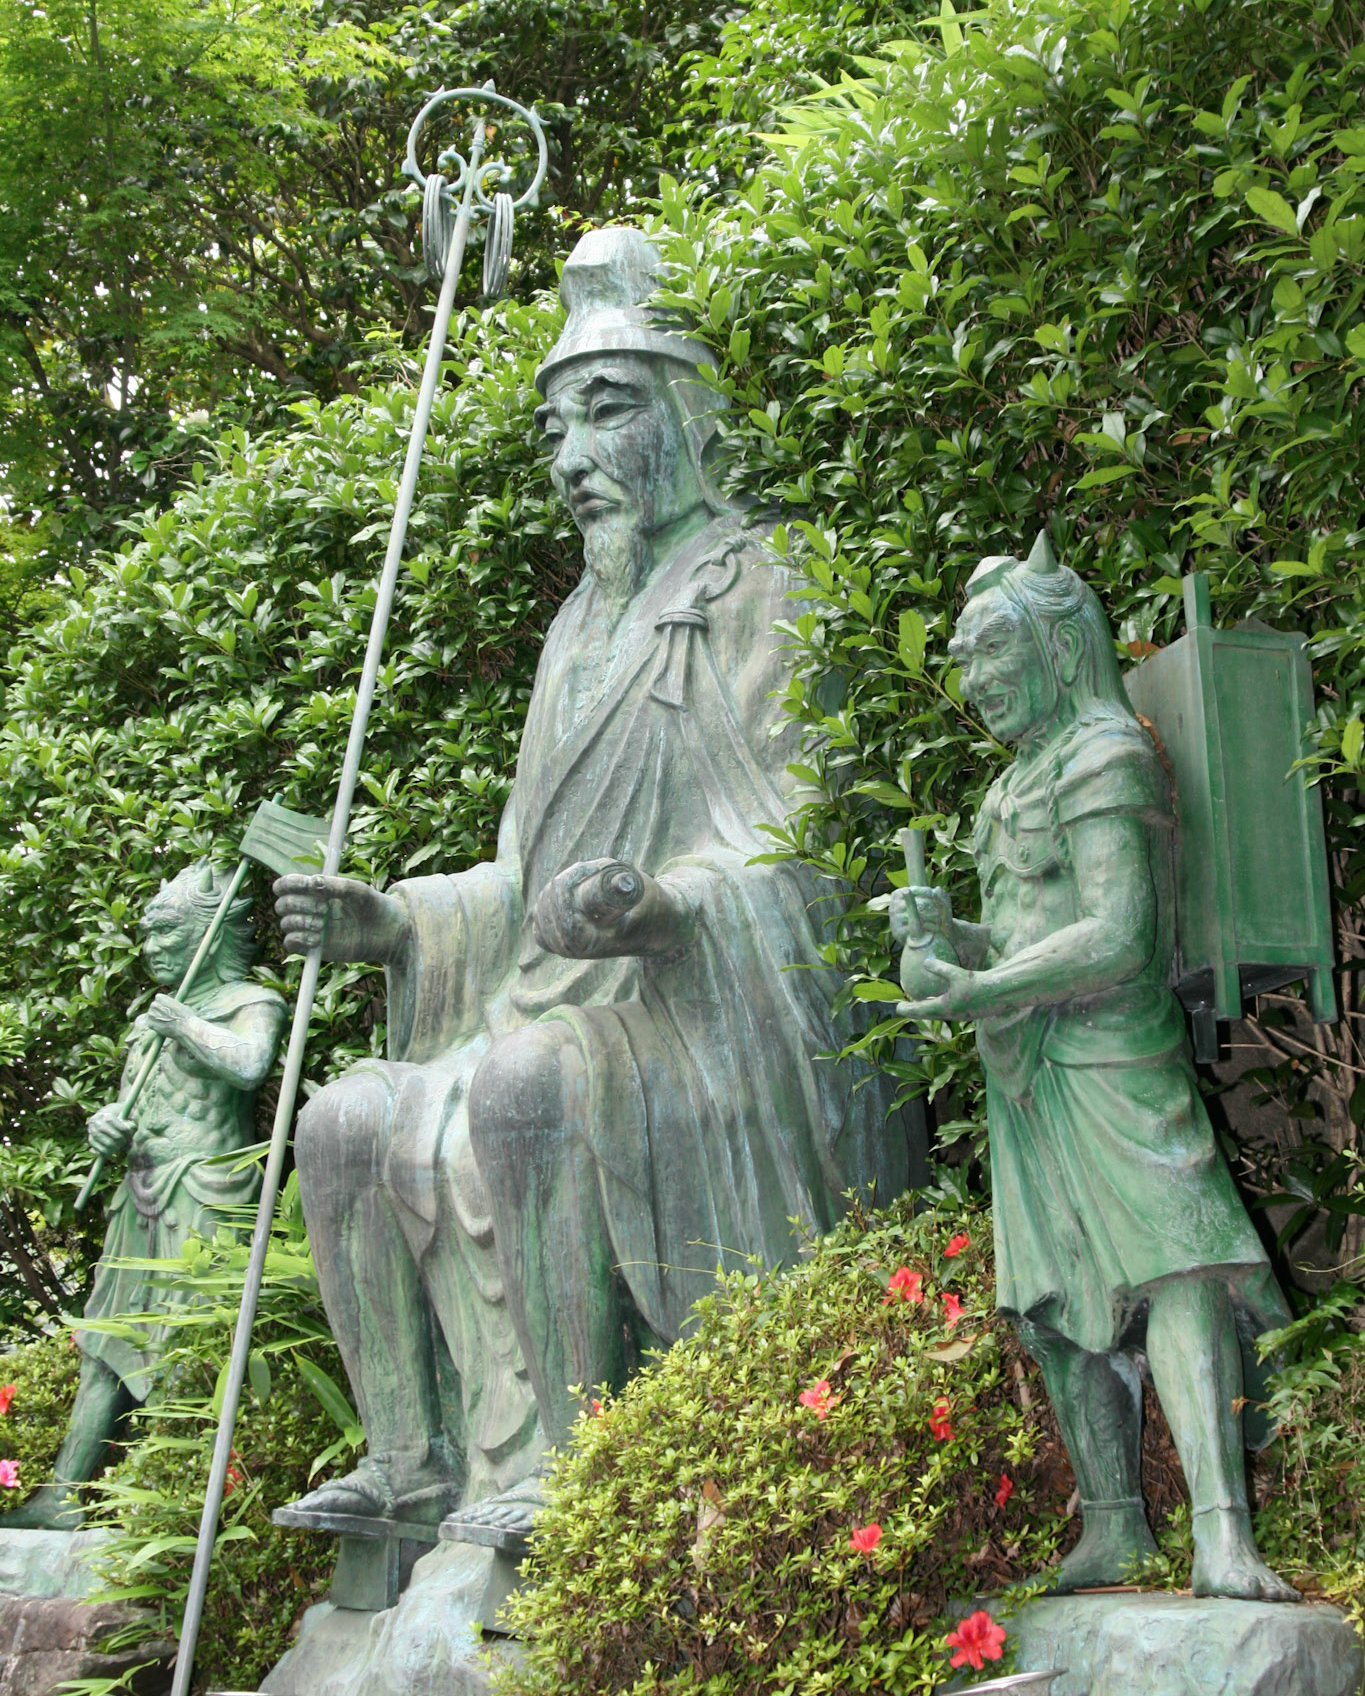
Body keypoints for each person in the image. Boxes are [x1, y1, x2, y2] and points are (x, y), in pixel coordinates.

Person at [273, 226, 918, 1535]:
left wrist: (667, 901)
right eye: (556, 427)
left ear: (690, 414)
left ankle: (582, 1469)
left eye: (608, 409)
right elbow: (524, 873)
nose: (571, 457)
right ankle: (412, 1461)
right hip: (556, 994)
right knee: (343, 1117)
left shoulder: (767, 580)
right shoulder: (575, 625)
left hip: (706, 1018)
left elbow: (810, 839)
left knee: (526, 1084)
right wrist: (396, 921)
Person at [893, 534, 1297, 1600]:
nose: (974, 681)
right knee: (1053, 1299)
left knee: (1178, 1265)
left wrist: (980, 983)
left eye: (991, 651)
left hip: (1112, 1047)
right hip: (1025, 1065)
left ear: (1060, 648)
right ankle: (1114, 1525)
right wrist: (946, 943)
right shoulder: (1005, 789)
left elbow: (1119, 935)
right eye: (964, 661)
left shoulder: (1106, 753)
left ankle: (1222, 1535)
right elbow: (1021, 931)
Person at [11, 864, 286, 1529]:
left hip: (204, 1194)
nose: (151, 947)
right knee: (106, 1345)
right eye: (149, 934)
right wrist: (107, 1127)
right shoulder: (149, 1020)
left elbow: (250, 1064)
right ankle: (63, 1496)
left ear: (207, 935)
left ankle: (163, 1506)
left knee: (183, 1349)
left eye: (165, 932)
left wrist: (186, 1024)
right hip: (139, 1193)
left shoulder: (250, 1001)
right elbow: (137, 1108)